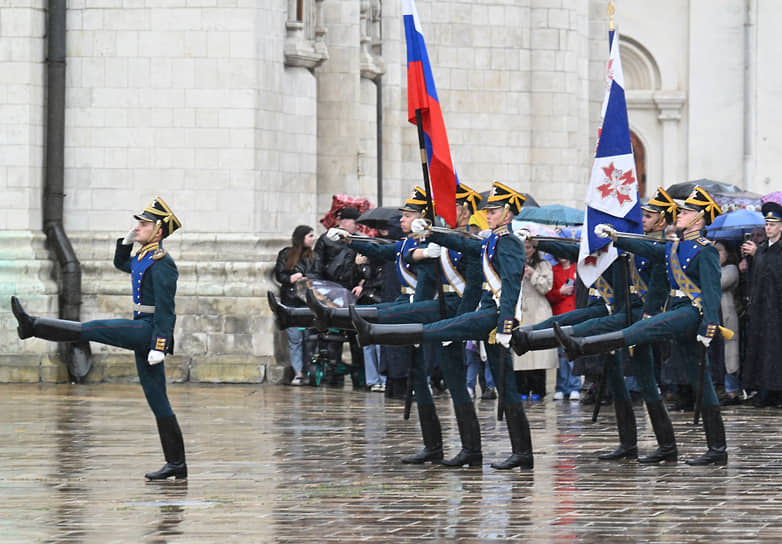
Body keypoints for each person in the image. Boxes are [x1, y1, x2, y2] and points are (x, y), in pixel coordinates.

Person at [350, 182, 535, 471]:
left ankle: (522, 451)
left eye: (495, 210)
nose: (488, 215)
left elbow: (509, 283)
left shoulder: (508, 242)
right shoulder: (490, 240)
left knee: (504, 383)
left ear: (508, 214)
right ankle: (477, 450)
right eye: (487, 210)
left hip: (494, 314)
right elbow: (462, 243)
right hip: (485, 312)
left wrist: (506, 323)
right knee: (486, 380)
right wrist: (431, 232)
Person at [11, 197, 187, 480]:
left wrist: (159, 344)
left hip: (148, 330)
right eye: (138, 224)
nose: (138, 227)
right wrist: (126, 241)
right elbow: (121, 264)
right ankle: (177, 465)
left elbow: (167, 308)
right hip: (142, 326)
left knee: (92, 328)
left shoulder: (163, 263)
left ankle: (33, 326)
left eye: (143, 224)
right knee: (158, 400)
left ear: (159, 230)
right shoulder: (144, 257)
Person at [557, 186, 727, 466]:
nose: (680, 214)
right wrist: (617, 237)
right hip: (676, 309)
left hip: (691, 311)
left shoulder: (705, 251)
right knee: (702, 380)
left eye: (686, 212)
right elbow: (645, 246)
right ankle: (709, 449)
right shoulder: (674, 245)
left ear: (700, 218)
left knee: (644, 329)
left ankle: (584, 345)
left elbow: (711, 292)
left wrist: (710, 324)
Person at [513, 186, 678, 464]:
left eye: (650, 216)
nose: (644, 219)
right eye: (644, 215)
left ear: (662, 221)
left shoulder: (660, 245)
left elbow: (653, 274)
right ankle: (628, 444)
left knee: (647, 382)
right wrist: (539, 241)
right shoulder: (628, 241)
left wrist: (617, 238)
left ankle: (667, 446)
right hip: (621, 311)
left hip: (642, 318)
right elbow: (578, 249)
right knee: (614, 377)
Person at [740, 199, 782, 407]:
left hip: (776, 308)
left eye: (773, 224)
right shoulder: (763, 248)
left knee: (775, 350)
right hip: (760, 308)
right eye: (767, 224)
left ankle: (777, 391)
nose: (768, 228)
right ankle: (765, 390)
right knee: (761, 350)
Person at [274, 225, 317, 385]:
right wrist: (290, 278)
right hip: (291, 300)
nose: (313, 239)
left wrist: (305, 277)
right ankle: (298, 372)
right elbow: (280, 274)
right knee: (295, 338)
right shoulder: (286, 254)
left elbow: (319, 273)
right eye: (310, 236)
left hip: (308, 301)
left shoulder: (314, 256)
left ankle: (307, 369)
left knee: (308, 338)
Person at [513, 240, 554, 401]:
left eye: (529, 248)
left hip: (538, 310)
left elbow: (546, 287)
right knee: (520, 354)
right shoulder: (514, 262)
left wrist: (532, 274)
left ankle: (538, 389)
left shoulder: (543, 265)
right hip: (520, 311)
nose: (526, 251)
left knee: (537, 352)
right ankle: (521, 389)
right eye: (523, 248)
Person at [546, 256, 580, 400]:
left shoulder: (578, 268)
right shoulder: (554, 270)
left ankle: (574, 386)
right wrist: (560, 292)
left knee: (573, 353)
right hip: (560, 314)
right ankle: (561, 386)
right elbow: (548, 294)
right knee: (561, 354)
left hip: (576, 314)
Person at [714, 240, 741, 405]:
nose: (716, 255)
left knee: (730, 355)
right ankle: (719, 389)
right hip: (714, 317)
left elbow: (717, 284)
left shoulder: (731, 269)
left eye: (719, 251)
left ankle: (732, 392)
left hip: (727, 318)